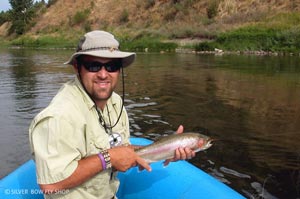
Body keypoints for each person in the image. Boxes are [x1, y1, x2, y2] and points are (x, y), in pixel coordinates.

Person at [29, 30, 201, 199]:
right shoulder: (59, 116)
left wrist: (168, 150)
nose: (103, 74)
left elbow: (122, 154)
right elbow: (50, 186)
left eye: (111, 66)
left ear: (119, 70)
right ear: (77, 67)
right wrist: (107, 158)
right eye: (93, 65)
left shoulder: (115, 102)